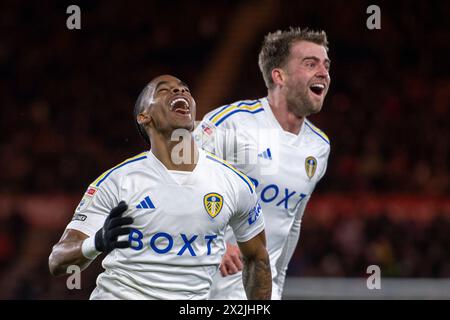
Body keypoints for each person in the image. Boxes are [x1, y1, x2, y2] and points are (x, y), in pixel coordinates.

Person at [49, 75, 272, 300]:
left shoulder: (234, 183)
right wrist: (95, 243)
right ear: (144, 117)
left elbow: (258, 260)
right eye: (164, 90)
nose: (180, 92)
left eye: (184, 89)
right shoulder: (117, 181)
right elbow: (57, 261)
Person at [194, 27, 331, 299]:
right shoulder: (230, 124)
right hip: (201, 288)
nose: (323, 73)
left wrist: (276, 283)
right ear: (278, 75)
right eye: (310, 63)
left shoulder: (319, 147)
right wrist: (219, 244)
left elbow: (292, 221)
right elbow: (174, 185)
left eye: (326, 65)